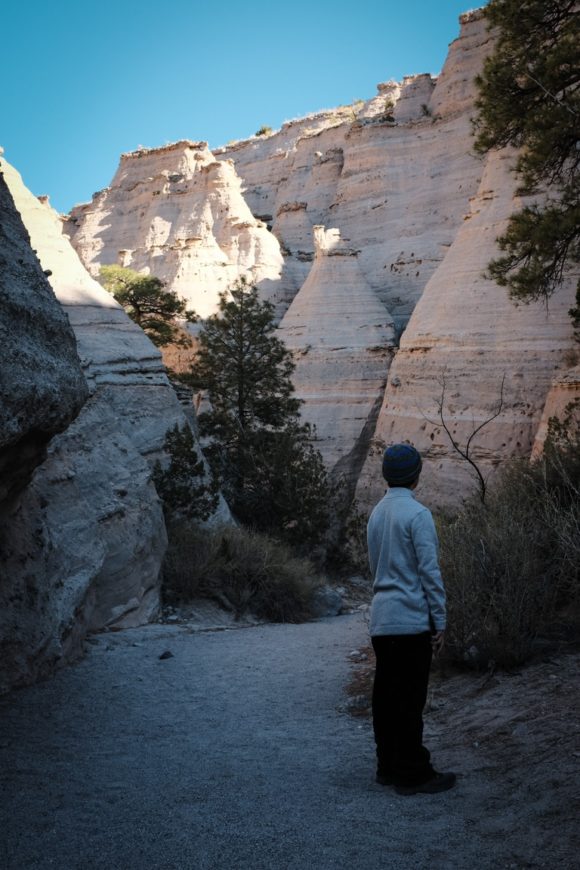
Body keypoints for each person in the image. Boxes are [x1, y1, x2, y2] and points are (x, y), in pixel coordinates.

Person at [367, 443, 456, 795]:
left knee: (386, 698)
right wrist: (441, 620)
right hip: (411, 621)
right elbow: (429, 573)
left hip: (382, 619)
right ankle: (414, 772)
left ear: (386, 475)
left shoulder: (376, 514)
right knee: (410, 699)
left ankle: (387, 766)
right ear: (416, 475)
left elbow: (374, 567)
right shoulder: (418, 515)